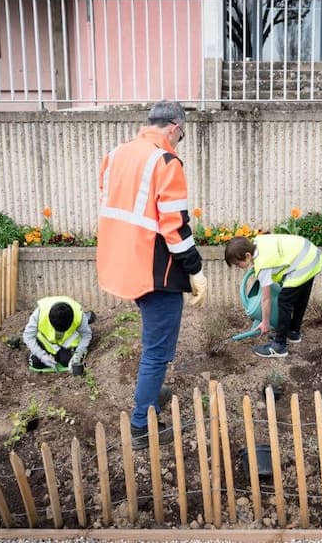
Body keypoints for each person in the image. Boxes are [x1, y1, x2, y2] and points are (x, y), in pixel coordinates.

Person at [96, 100, 206, 450]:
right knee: (157, 350)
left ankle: (152, 393)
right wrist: (196, 270)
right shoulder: (165, 161)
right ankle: (142, 424)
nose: (178, 141)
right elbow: (174, 226)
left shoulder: (116, 154)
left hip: (125, 263)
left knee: (153, 342)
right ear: (174, 128)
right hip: (155, 269)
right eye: (181, 135)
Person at [224, 234, 322, 358]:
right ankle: (293, 332)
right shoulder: (258, 242)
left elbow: (266, 298)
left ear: (247, 255)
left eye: (237, 264)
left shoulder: (263, 265)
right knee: (301, 296)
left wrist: (265, 322)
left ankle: (279, 346)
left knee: (284, 300)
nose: (238, 267)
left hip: (303, 262)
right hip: (311, 255)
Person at [22, 296, 93, 373]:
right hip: (47, 342)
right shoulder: (39, 313)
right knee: (36, 363)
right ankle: (51, 355)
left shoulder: (79, 315)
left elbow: (86, 335)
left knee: (67, 362)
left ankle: (87, 319)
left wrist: (77, 355)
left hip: (67, 342)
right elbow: (28, 336)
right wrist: (42, 356)